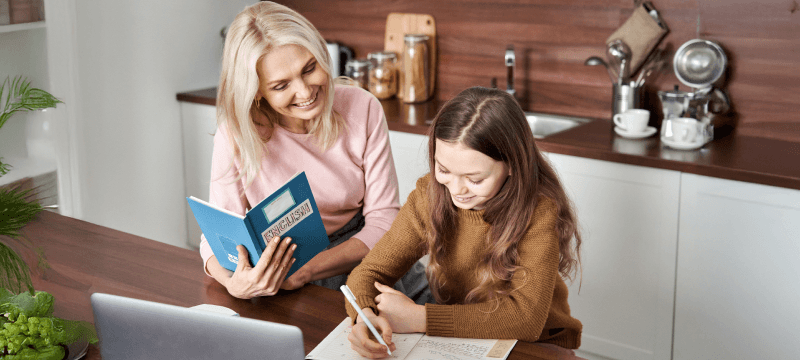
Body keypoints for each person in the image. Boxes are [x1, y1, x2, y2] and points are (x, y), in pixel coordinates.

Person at [199, 1, 429, 302]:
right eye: (281, 86)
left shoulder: (362, 107)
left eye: (309, 69)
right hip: (283, 272)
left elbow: (384, 221)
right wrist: (233, 283)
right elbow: (217, 238)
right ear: (257, 91)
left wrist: (307, 270)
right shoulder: (237, 133)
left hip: (365, 256)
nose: (306, 92)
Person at [344, 86, 584, 358]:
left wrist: (420, 318)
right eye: (444, 170)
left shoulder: (539, 211)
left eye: (475, 179)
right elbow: (368, 272)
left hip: (535, 343)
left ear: (513, 166)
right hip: (462, 337)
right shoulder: (429, 195)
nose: (457, 189)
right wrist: (364, 315)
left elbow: (525, 318)